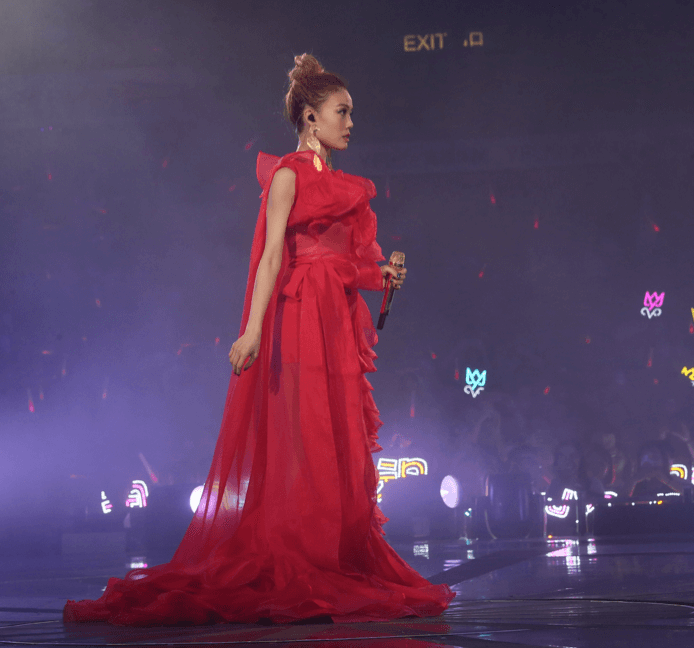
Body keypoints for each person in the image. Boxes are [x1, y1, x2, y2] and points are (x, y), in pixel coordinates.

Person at [63, 54, 454, 626]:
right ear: (310, 117)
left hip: (335, 320)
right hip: (299, 319)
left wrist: (382, 273)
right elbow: (272, 258)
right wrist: (251, 330)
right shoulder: (287, 176)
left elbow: (347, 261)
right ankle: (302, 551)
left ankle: (336, 551)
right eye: (342, 112)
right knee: (306, 433)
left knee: (338, 434)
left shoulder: (346, 187)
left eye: (351, 113)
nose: (351, 123)